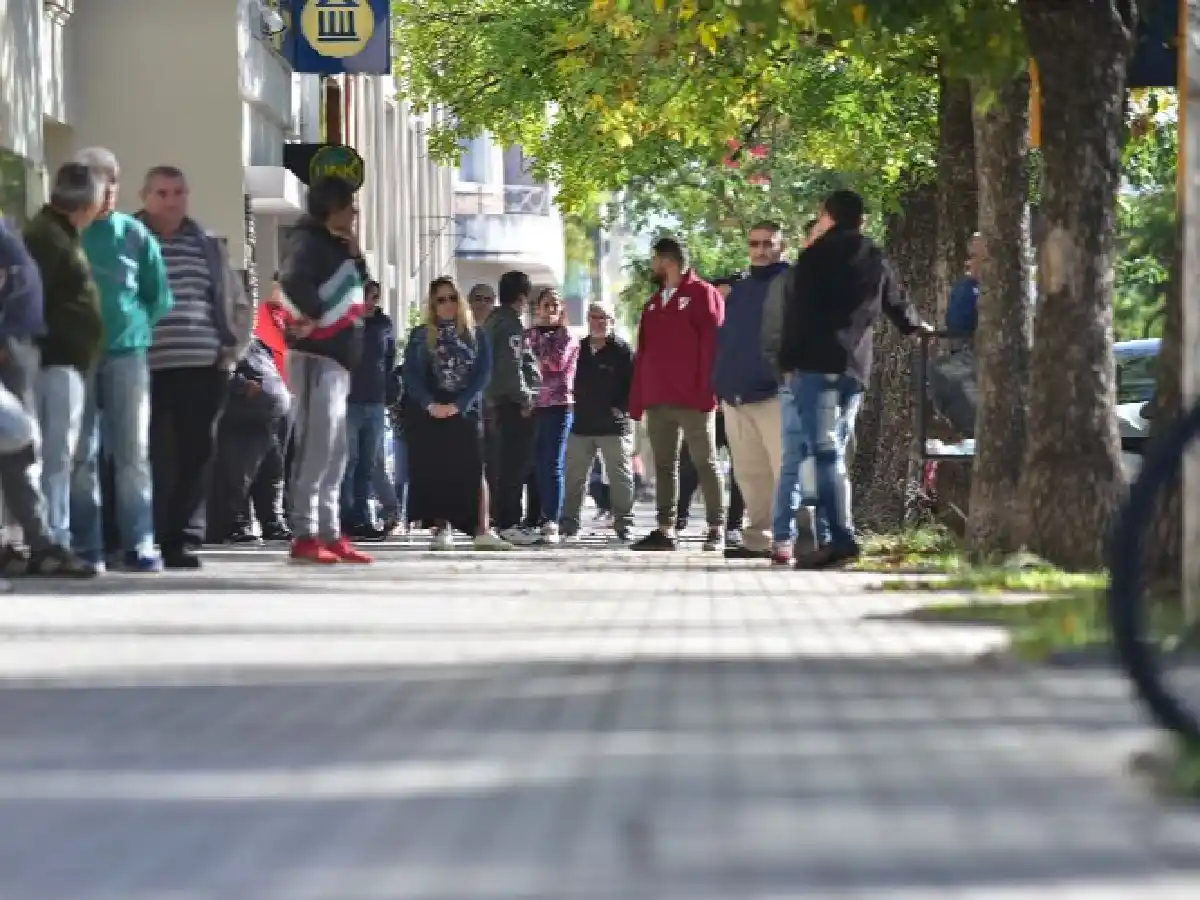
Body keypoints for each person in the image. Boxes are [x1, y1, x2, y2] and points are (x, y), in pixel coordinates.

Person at [777, 189, 930, 569]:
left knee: (825, 454)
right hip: (853, 368)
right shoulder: (874, 256)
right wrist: (916, 327)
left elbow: (798, 312)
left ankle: (841, 539)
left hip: (816, 366)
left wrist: (787, 359)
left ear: (827, 215)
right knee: (834, 449)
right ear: (861, 220)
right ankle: (832, 538)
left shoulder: (815, 256)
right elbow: (897, 301)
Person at [138, 165, 250, 569]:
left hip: (202, 365)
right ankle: (138, 534)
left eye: (178, 192)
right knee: (141, 453)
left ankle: (181, 539)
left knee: (196, 453)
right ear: (145, 197)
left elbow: (236, 302)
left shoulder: (205, 243)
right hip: (141, 365)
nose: (171, 200)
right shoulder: (130, 239)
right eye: (162, 193)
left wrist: (231, 351)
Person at [72, 147, 174, 573]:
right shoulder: (68, 233)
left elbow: (158, 295)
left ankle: (139, 543)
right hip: (77, 356)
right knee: (81, 454)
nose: (109, 188)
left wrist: (136, 327)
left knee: (132, 453)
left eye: (114, 180)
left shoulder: (134, 234)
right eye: (100, 179)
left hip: (127, 355)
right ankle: (85, 545)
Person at [277, 175, 372, 565]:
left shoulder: (337, 246)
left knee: (336, 451)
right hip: (317, 356)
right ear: (332, 208)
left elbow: (362, 290)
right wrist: (316, 316)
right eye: (350, 205)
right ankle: (305, 531)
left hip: (339, 358)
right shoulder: (307, 242)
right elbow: (293, 281)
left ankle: (331, 531)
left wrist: (358, 256)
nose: (354, 213)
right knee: (316, 446)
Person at [22, 164, 106, 569]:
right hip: (51, 361)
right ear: (89, 204)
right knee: (52, 455)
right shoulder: (48, 238)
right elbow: (35, 300)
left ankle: (49, 537)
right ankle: (49, 539)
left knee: (57, 455)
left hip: (60, 359)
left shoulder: (57, 234)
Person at [628, 236, 725, 552]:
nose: (652, 266)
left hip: (694, 399)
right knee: (664, 465)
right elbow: (644, 353)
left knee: (704, 462)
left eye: (655, 259)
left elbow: (713, 345)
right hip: (658, 400)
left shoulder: (703, 294)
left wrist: (709, 390)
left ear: (666, 260)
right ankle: (665, 529)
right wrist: (639, 399)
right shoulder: (654, 303)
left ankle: (716, 527)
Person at [402, 277, 511, 551]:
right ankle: (441, 528)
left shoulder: (477, 334)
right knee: (438, 469)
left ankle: (483, 530)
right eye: (441, 299)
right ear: (432, 304)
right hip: (431, 407)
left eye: (452, 297)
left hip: (466, 407)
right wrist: (429, 404)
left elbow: (483, 375)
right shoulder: (420, 335)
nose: (447, 304)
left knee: (474, 467)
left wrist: (460, 405)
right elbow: (411, 376)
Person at [713, 222, 790, 560]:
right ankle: (758, 538)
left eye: (768, 244)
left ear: (782, 246)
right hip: (735, 394)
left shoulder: (792, 283)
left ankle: (795, 539)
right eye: (754, 244)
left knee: (785, 468)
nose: (760, 250)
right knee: (749, 473)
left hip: (775, 392)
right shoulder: (738, 289)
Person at [763, 218, 821, 565]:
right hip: (796, 381)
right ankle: (783, 537)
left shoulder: (843, 281)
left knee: (829, 460)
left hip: (834, 384)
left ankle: (825, 536)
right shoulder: (788, 281)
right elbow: (771, 334)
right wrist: (784, 373)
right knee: (793, 462)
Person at [561, 301, 635, 542]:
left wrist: (620, 408)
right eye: (594, 317)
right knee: (574, 477)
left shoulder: (623, 350)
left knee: (620, 477)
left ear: (612, 321)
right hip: (582, 424)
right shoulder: (577, 348)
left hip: (613, 426)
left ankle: (624, 523)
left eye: (604, 317)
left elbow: (634, 385)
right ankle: (569, 524)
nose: (599, 322)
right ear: (588, 320)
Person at [205, 337, 291, 543]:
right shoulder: (225, 342)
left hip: (269, 423)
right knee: (238, 477)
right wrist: (242, 386)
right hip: (242, 422)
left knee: (272, 475)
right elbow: (216, 372)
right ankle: (233, 525)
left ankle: (272, 523)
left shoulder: (260, 344)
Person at [484, 270, 541, 545]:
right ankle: (509, 522)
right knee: (513, 468)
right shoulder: (510, 325)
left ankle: (502, 519)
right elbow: (511, 367)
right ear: (522, 296)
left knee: (501, 466)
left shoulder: (492, 321)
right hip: (510, 406)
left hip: (494, 403)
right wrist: (525, 398)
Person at [341, 279, 394, 540]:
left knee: (368, 463)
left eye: (374, 296)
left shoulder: (384, 325)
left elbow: (390, 360)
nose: (370, 302)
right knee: (348, 462)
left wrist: (391, 391)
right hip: (349, 400)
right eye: (366, 296)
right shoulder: (346, 324)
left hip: (375, 401)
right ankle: (345, 518)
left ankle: (362, 518)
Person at [525, 288, 578, 545]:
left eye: (555, 305)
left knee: (552, 464)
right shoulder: (528, 335)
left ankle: (552, 520)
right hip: (532, 406)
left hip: (558, 406)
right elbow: (523, 363)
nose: (550, 310)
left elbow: (555, 362)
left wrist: (537, 350)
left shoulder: (568, 336)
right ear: (537, 308)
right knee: (533, 465)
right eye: (545, 305)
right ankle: (532, 517)